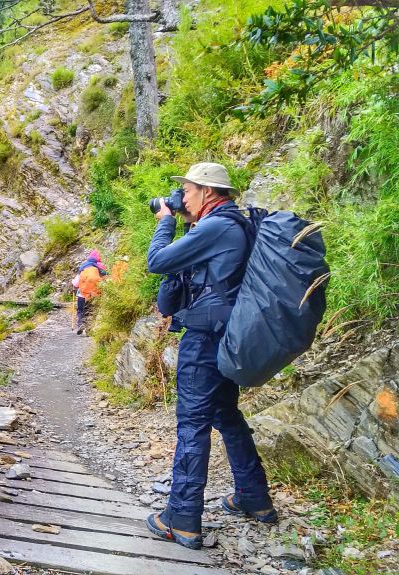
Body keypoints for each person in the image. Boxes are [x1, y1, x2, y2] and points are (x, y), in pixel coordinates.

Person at [144, 162, 277, 550]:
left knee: (193, 422)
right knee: (225, 415)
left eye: (185, 189)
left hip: (204, 340)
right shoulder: (224, 224)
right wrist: (185, 218)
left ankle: (182, 518)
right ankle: (254, 497)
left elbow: (157, 261)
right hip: (224, 335)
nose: (181, 196)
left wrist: (165, 220)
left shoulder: (217, 226)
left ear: (206, 190)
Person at [71, 249, 107, 335]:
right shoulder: (99, 268)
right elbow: (104, 280)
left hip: (81, 295)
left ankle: (80, 324)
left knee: (80, 310)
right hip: (94, 295)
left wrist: (74, 287)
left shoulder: (83, 267)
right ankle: (88, 329)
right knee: (90, 311)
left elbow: (76, 283)